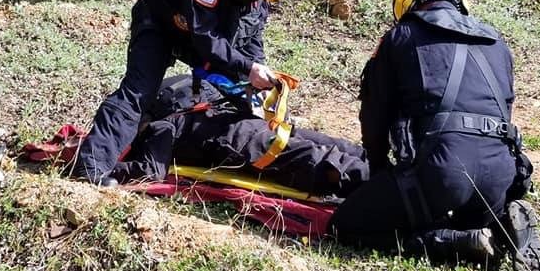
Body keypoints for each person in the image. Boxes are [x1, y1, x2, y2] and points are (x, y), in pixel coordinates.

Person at [328, 0, 540, 271]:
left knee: (344, 226)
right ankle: (496, 223)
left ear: (407, 2)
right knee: (461, 204)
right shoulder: (497, 42)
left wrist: (378, 172)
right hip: (498, 175)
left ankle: (453, 241)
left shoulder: (400, 37)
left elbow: (375, 116)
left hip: (442, 172)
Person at [71, 0, 298, 186]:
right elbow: (207, 41)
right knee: (139, 92)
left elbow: (251, 39)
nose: (257, 0)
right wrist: (247, 67)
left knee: (244, 95)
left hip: (203, 35)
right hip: (161, 28)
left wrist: (258, 75)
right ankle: (91, 168)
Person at [108, 75, 368, 197]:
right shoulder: (191, 94)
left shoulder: (161, 126)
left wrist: (111, 168)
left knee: (310, 159)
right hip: (243, 121)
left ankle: (378, 186)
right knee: (313, 141)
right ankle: (376, 165)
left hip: (236, 141)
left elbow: (150, 171)